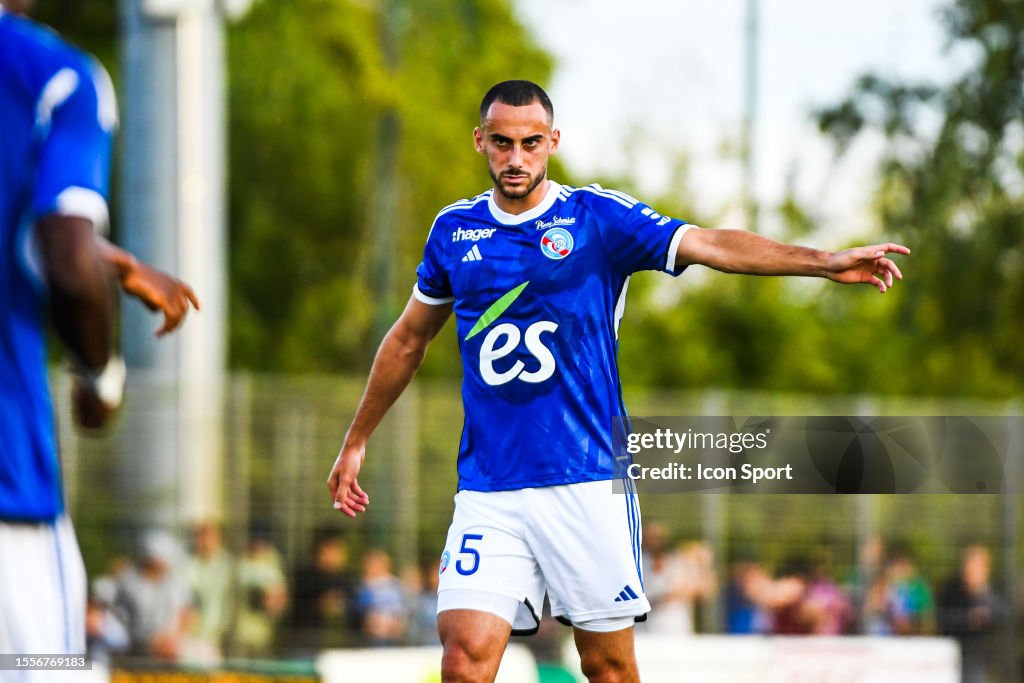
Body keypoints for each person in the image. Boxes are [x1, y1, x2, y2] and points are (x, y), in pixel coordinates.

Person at [326, 79, 909, 682]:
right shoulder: (455, 231)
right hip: (489, 488)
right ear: (481, 142)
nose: (516, 158)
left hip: (585, 481)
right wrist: (356, 439)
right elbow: (408, 339)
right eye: (502, 143)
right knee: (463, 660)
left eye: (530, 143)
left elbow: (708, 243)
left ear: (553, 141)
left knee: (607, 667)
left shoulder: (597, 219)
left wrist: (823, 261)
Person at [0, 3, 198, 665]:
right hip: (11, 498)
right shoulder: (56, 78)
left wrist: (102, 257)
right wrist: (104, 376)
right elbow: (64, 253)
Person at [937, 545, 1002, 683]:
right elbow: (942, 617)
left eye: (974, 567)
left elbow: (1001, 614)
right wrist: (967, 618)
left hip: (977, 659)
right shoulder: (951, 591)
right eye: (967, 566)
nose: (969, 571)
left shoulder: (989, 595)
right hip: (950, 658)